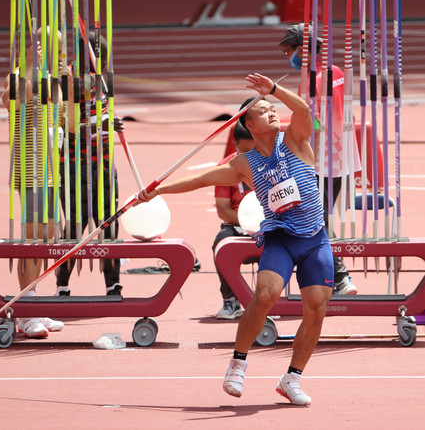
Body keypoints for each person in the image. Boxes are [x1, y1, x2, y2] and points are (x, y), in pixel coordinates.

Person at [138, 73, 333, 405]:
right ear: (251, 127)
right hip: (281, 239)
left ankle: (291, 379)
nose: (273, 112)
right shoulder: (244, 163)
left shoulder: (295, 140)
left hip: (315, 238)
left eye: (273, 108)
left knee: (316, 309)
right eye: (264, 111)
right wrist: (156, 191)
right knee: (267, 293)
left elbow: (303, 111)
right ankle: (238, 363)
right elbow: (200, 179)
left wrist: (272, 90)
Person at [279, 23, 360, 295]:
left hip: (319, 162)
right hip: (342, 159)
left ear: (303, 50)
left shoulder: (309, 84)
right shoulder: (337, 72)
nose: (286, 56)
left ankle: (339, 277)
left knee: (314, 221)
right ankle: (332, 277)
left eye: (289, 50)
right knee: (318, 219)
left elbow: (310, 127)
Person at [1, 27, 64, 338]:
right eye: (53, 47)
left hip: (52, 171)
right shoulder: (18, 75)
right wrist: (29, 64)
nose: (58, 54)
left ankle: (34, 303)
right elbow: (14, 100)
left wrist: (64, 83)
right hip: (31, 170)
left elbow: (63, 118)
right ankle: (26, 310)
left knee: (48, 239)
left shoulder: (53, 79)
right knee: (31, 239)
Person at [55, 32, 123, 296]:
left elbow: (103, 114)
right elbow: (70, 126)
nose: (103, 65)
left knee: (109, 223)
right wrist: (105, 124)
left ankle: (113, 283)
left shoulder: (102, 79)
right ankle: (62, 285)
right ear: (86, 57)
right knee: (74, 225)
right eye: (99, 59)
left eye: (105, 60)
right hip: (74, 166)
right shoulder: (68, 80)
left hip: (103, 163)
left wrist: (111, 121)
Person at [213, 120, 255, 319]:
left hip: (268, 224)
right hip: (237, 223)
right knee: (220, 243)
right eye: (244, 149)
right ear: (235, 145)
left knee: (281, 243)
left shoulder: (271, 163)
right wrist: (248, 222)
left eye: (253, 149)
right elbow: (223, 210)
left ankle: (267, 299)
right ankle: (230, 301)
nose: (249, 155)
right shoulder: (224, 167)